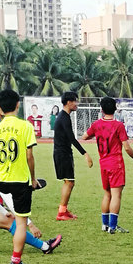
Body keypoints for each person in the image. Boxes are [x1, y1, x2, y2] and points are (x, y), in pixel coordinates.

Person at [0, 87, 39, 264]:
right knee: (20, 222)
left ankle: (0, 200)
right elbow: (29, 156)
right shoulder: (25, 126)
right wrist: (33, 180)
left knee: (6, 193)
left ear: (0, 108)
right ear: (18, 105)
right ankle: (16, 261)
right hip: (19, 180)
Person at [86, 96, 133, 234]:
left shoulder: (96, 124)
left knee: (107, 193)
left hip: (103, 163)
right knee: (116, 195)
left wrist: (96, 134)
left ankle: (104, 225)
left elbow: (85, 136)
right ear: (115, 109)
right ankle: (113, 227)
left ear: (102, 109)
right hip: (116, 163)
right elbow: (126, 147)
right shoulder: (118, 125)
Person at [52, 89, 91, 220]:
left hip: (62, 153)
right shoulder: (64, 118)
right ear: (68, 102)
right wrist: (85, 154)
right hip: (63, 154)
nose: (77, 103)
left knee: (69, 182)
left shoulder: (64, 117)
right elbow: (72, 139)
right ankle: (61, 212)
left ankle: (64, 210)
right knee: (69, 182)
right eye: (75, 101)